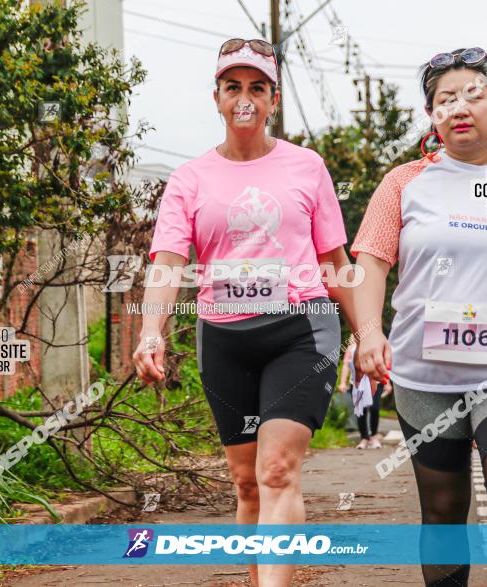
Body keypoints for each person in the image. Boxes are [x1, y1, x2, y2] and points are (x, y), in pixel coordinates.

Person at [132, 37, 357, 587]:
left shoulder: (307, 167)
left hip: (300, 329)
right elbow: (167, 262)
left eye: (257, 87)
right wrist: (149, 332)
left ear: (273, 100)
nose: (245, 97)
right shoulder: (190, 179)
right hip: (224, 336)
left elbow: (335, 259)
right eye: (234, 87)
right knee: (246, 482)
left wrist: (368, 331)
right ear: (217, 97)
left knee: (277, 470)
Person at [351, 47, 487, 587]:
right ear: (432, 116)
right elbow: (371, 264)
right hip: (424, 373)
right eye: (444, 99)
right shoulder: (402, 182)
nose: (459, 106)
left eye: (474, 95)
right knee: (445, 509)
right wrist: (370, 332)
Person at [339, 342, 383, 449]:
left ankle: (373, 437)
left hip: (374, 382)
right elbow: (346, 365)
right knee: (360, 410)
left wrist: (386, 384)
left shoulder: (374, 342)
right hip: (357, 383)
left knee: (374, 408)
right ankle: (364, 438)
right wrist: (343, 382)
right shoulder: (351, 347)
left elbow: (381, 363)